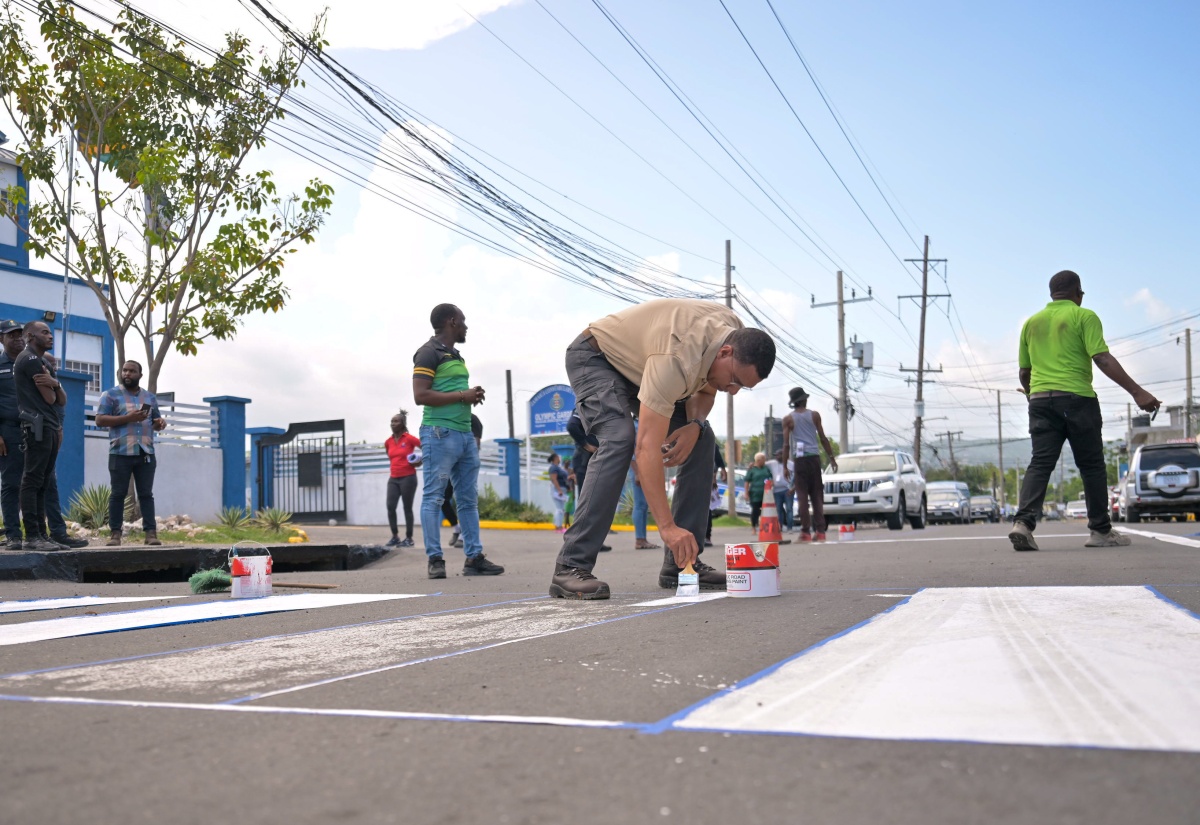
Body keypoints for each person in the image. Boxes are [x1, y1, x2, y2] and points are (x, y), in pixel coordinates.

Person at [549, 298, 775, 599]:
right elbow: (646, 448)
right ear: (725, 352)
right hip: (597, 358)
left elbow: (707, 389)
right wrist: (666, 528)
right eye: (734, 380)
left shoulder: (731, 332)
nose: (732, 391)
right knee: (619, 437)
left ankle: (682, 564)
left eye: (741, 387)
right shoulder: (677, 358)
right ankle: (570, 566)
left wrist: (695, 424)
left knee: (703, 437)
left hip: (643, 366)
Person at [1009, 270, 1159, 551]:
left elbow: (1024, 372)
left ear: (1052, 294)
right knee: (1091, 465)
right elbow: (1101, 358)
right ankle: (1100, 531)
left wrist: (1032, 396)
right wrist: (1138, 392)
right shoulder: (1084, 316)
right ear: (1078, 293)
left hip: (1040, 401)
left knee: (1040, 463)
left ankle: (1023, 524)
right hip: (1077, 400)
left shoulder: (1031, 322)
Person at [413, 304, 503, 579]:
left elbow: (452, 391)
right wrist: (464, 395)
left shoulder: (455, 355)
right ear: (452, 321)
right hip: (439, 434)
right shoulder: (428, 352)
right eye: (463, 321)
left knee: (468, 500)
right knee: (433, 497)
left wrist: (471, 395)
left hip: (464, 435)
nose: (466, 326)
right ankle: (435, 560)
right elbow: (420, 395)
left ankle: (474, 558)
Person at [94, 360, 166, 546]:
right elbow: (100, 420)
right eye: (124, 370)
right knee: (118, 494)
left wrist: (159, 423)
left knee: (146, 494)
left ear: (140, 375)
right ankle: (115, 535)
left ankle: (151, 534)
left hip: (145, 452)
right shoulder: (110, 395)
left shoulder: (149, 397)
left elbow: (155, 421)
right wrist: (128, 417)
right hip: (120, 452)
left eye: (132, 371)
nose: (127, 374)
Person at [13, 321, 69, 551]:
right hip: (37, 426)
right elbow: (51, 398)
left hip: (50, 425)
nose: (50, 336)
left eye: (50, 332)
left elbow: (62, 399)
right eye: (44, 332)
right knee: (32, 479)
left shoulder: (44, 362)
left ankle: (42, 536)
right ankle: (32, 536)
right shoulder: (29, 359)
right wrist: (54, 387)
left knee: (44, 481)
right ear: (29, 336)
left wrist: (54, 382)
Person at [782, 386, 838, 542]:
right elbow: (823, 438)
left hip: (800, 460)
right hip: (814, 458)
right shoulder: (814, 415)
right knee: (817, 495)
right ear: (803, 400)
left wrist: (785, 466)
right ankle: (820, 531)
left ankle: (805, 532)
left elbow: (786, 445)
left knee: (802, 495)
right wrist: (831, 458)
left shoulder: (788, 419)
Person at [0, 320, 28, 550]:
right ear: (1, 339)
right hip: (8, 431)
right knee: (11, 484)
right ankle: (13, 535)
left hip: (36, 430)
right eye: (12, 335)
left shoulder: (32, 362)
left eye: (20, 334)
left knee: (37, 483)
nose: (18, 338)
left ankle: (36, 535)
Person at [384, 410, 421, 548]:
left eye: (396, 421)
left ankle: (409, 538)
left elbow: (425, 447)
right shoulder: (388, 442)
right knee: (390, 507)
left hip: (408, 477)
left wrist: (419, 461)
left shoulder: (409, 438)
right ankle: (395, 536)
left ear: (403, 424)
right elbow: (391, 457)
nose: (393, 424)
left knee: (407, 508)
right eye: (391, 421)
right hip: (393, 478)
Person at [629, 461, 658, 550]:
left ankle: (643, 539)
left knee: (644, 505)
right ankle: (640, 539)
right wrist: (637, 473)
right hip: (638, 470)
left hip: (643, 469)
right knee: (640, 505)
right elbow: (632, 457)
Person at [765, 448, 794, 533]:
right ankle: (779, 527)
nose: (776, 457)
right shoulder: (772, 463)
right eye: (776, 455)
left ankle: (789, 528)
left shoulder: (791, 464)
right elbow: (761, 463)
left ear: (783, 455)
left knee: (789, 509)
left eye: (778, 455)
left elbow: (796, 477)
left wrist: (793, 488)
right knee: (778, 510)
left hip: (788, 490)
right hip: (777, 491)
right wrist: (753, 465)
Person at [705, 443, 727, 547]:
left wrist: (721, 470)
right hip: (692, 478)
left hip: (706, 479)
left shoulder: (709, 441)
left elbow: (716, 458)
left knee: (706, 508)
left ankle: (706, 536)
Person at [744, 452, 772, 532]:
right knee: (755, 510)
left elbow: (770, 478)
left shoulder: (766, 469)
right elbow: (747, 481)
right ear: (759, 460)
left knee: (766, 511)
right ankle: (754, 526)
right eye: (763, 459)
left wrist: (771, 483)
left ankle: (765, 527)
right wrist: (746, 493)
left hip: (766, 493)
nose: (764, 461)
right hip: (755, 493)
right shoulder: (752, 470)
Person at [548, 453, 569, 532]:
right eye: (558, 457)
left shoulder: (558, 468)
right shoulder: (553, 468)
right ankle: (558, 527)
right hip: (557, 490)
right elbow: (554, 479)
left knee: (561, 508)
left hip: (561, 489)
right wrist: (559, 490)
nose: (560, 459)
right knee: (559, 509)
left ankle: (558, 526)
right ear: (555, 458)